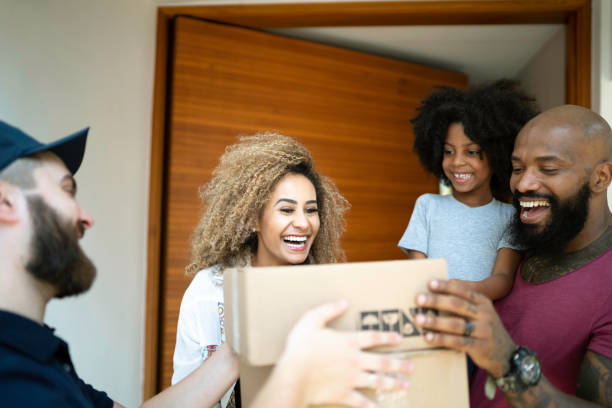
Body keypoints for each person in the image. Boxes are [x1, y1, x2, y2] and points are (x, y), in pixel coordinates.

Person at [0, 121, 414, 408]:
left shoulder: (47, 363)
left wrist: (238, 352)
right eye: (67, 190)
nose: (87, 216)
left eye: (311, 210)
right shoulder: (16, 381)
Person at [413, 105, 612, 407]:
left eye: (548, 169)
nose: (523, 185)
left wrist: (506, 360)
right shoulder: (526, 238)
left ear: (601, 177)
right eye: (518, 168)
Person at [172, 132, 350, 405]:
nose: (303, 223)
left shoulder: (324, 291)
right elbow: (186, 394)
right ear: (254, 219)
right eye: (287, 210)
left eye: (311, 210)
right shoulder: (209, 290)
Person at [398, 80, 539, 300]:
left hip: (481, 321)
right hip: (432, 311)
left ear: (497, 155)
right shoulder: (427, 205)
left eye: (471, 152)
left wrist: (465, 291)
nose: (457, 162)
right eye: (448, 151)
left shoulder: (509, 216)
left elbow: (503, 278)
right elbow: (418, 272)